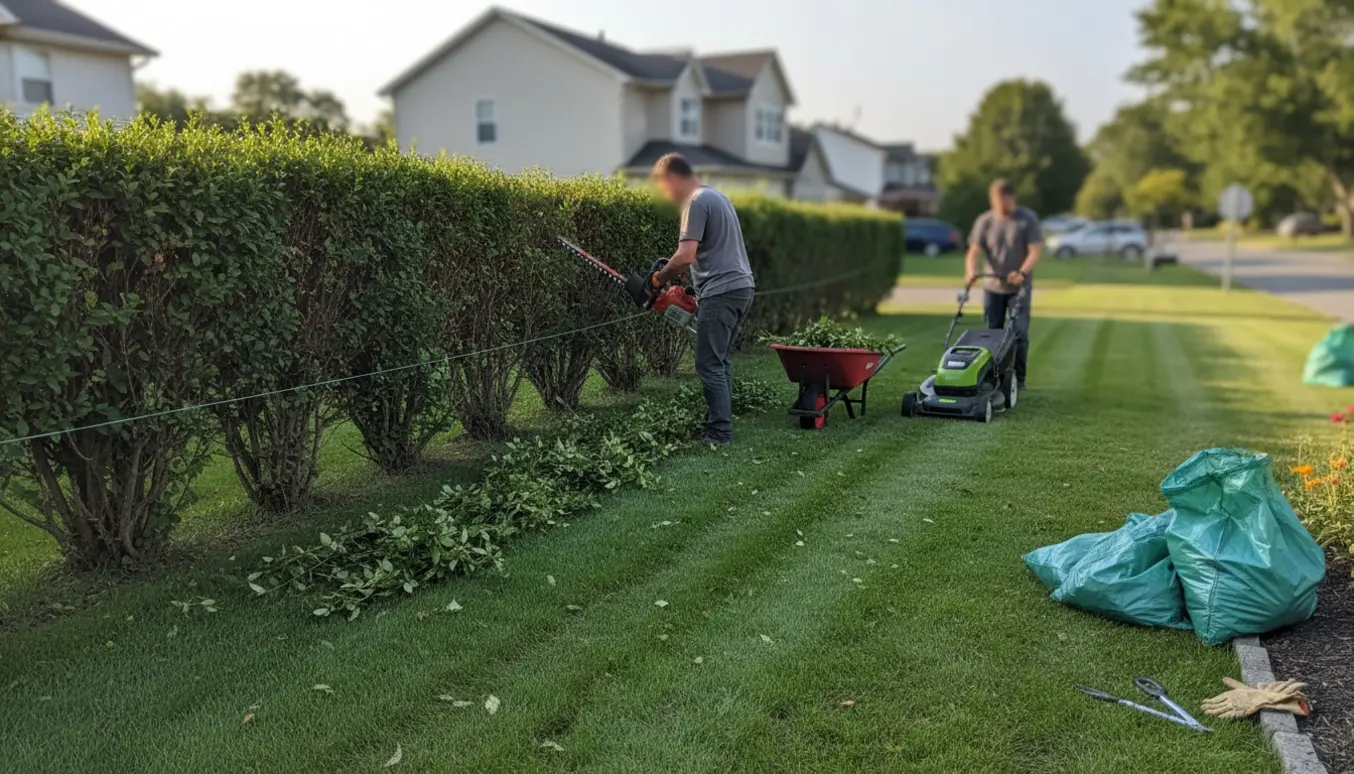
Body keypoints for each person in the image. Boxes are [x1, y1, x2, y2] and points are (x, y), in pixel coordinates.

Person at [638, 153, 756, 445]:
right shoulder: (717, 196)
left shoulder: (696, 201)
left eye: (663, 187)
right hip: (741, 288)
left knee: (708, 364)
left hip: (722, 290)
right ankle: (721, 424)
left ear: (671, 177)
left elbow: (685, 256)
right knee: (721, 361)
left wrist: (657, 280)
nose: (666, 195)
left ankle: (718, 434)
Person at [964, 179, 1042, 389]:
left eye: (1001, 201)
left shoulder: (1026, 220)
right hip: (992, 286)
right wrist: (971, 272)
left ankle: (1020, 379)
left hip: (1019, 287)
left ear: (1010, 198)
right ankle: (993, 377)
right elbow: (973, 251)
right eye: (994, 202)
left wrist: (1022, 273)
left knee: (1019, 333)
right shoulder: (985, 221)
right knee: (992, 332)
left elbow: (1035, 251)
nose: (998, 206)